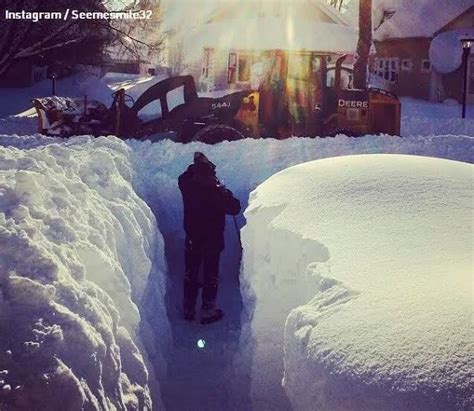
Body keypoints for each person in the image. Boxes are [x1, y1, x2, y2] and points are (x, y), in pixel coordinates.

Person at [178, 152, 241, 324]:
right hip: (213, 240)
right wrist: (224, 190)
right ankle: (207, 310)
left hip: (192, 238)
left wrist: (195, 167)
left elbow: (182, 177)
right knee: (210, 275)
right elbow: (235, 208)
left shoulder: (188, 185)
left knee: (191, 273)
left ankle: (188, 308)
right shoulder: (217, 191)